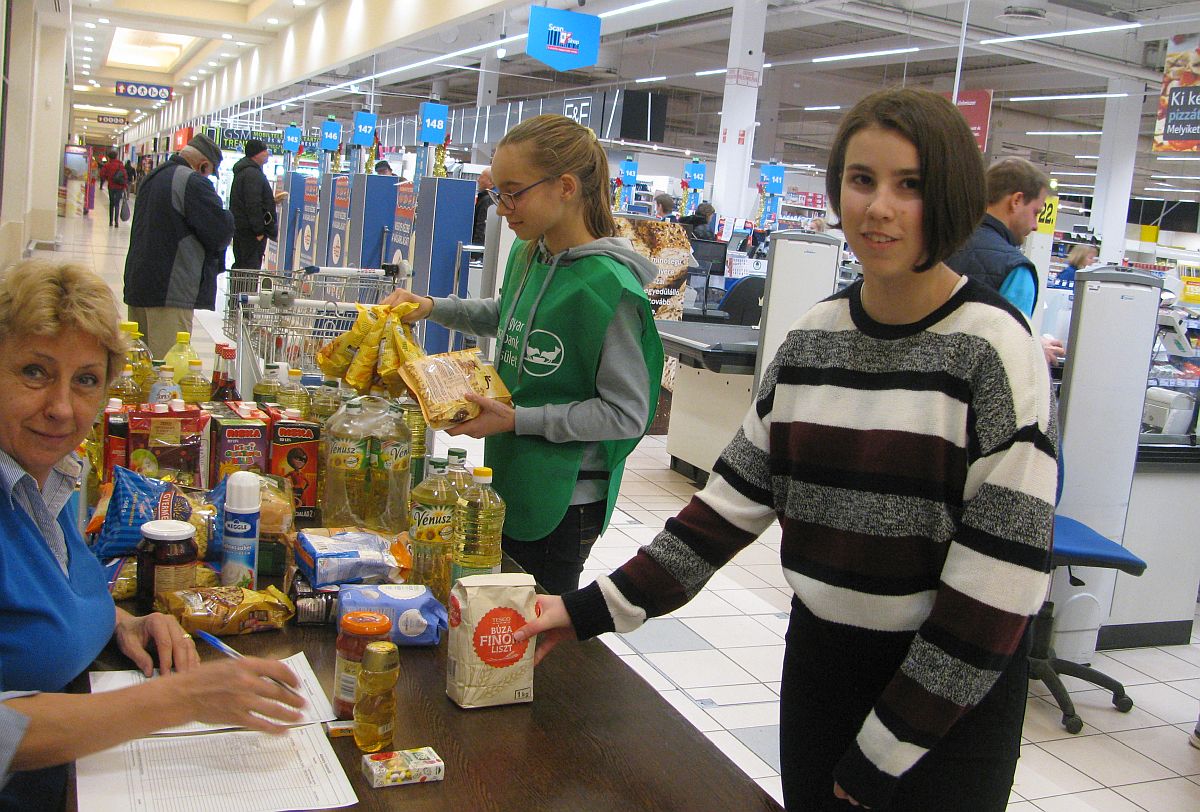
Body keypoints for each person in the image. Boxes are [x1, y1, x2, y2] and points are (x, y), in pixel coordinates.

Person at [515, 88, 1057, 811]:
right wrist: (583, 612)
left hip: (948, 703)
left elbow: (997, 595)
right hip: (822, 667)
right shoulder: (813, 340)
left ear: (952, 194)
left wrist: (882, 755)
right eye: (861, 180)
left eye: (911, 186)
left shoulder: (995, 353)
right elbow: (721, 515)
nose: (878, 208)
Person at [0, 259, 305, 808]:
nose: (62, 408)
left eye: (86, 380)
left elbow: (33, 602)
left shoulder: (49, 480)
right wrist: (180, 699)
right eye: (35, 372)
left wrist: (117, 621)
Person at [383, 114, 664, 595]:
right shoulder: (530, 254)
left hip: (565, 500)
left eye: (513, 192)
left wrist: (517, 420)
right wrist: (430, 307)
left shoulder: (609, 291)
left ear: (567, 187)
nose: (501, 208)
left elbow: (626, 414)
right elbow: (506, 312)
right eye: (497, 194)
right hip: (510, 475)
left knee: (532, 630)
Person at [123, 133, 234, 359]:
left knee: (141, 366)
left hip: (139, 283)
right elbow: (219, 231)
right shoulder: (192, 182)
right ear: (203, 166)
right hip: (169, 291)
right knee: (167, 371)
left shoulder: (153, 177)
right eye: (210, 172)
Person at [945, 157, 1064, 364]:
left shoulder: (940, 244)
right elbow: (1008, 354)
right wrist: (1033, 350)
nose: (1036, 225)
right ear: (1016, 201)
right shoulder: (1016, 270)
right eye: (1036, 212)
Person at [229, 139, 281, 271]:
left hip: (242, 230)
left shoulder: (245, 172)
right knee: (249, 269)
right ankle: (246, 292)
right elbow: (253, 204)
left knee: (241, 267)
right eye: (264, 151)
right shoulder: (252, 174)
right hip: (251, 233)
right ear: (256, 154)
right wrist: (259, 231)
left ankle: (238, 292)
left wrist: (271, 201)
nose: (267, 153)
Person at [97, 150, 127, 228]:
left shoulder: (107, 165)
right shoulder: (120, 165)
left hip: (111, 186)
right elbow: (125, 175)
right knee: (117, 204)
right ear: (116, 156)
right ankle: (116, 222)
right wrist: (124, 186)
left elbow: (102, 174)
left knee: (111, 203)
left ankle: (110, 221)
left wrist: (108, 178)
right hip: (119, 187)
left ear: (109, 157)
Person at [472, 167, 494, 246]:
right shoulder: (490, 199)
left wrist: (475, 254)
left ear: (491, 182)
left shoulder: (487, 201)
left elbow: (481, 228)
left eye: (481, 177)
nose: (478, 180)